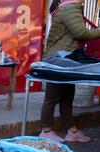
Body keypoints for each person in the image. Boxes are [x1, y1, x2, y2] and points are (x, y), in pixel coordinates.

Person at [39, 0, 100, 143]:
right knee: (52, 98)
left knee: (66, 98)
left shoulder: (68, 6)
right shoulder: (69, 7)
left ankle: (72, 132)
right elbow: (80, 33)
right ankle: (46, 131)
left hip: (66, 58)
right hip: (59, 59)